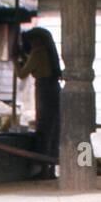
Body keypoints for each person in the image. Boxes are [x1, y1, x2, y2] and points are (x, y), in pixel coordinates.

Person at [15, 27, 62, 179]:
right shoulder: (49, 54)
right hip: (54, 89)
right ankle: (51, 168)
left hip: (44, 89)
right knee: (53, 128)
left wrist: (15, 61)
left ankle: (44, 169)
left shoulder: (38, 52)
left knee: (43, 127)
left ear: (36, 40)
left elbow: (22, 74)